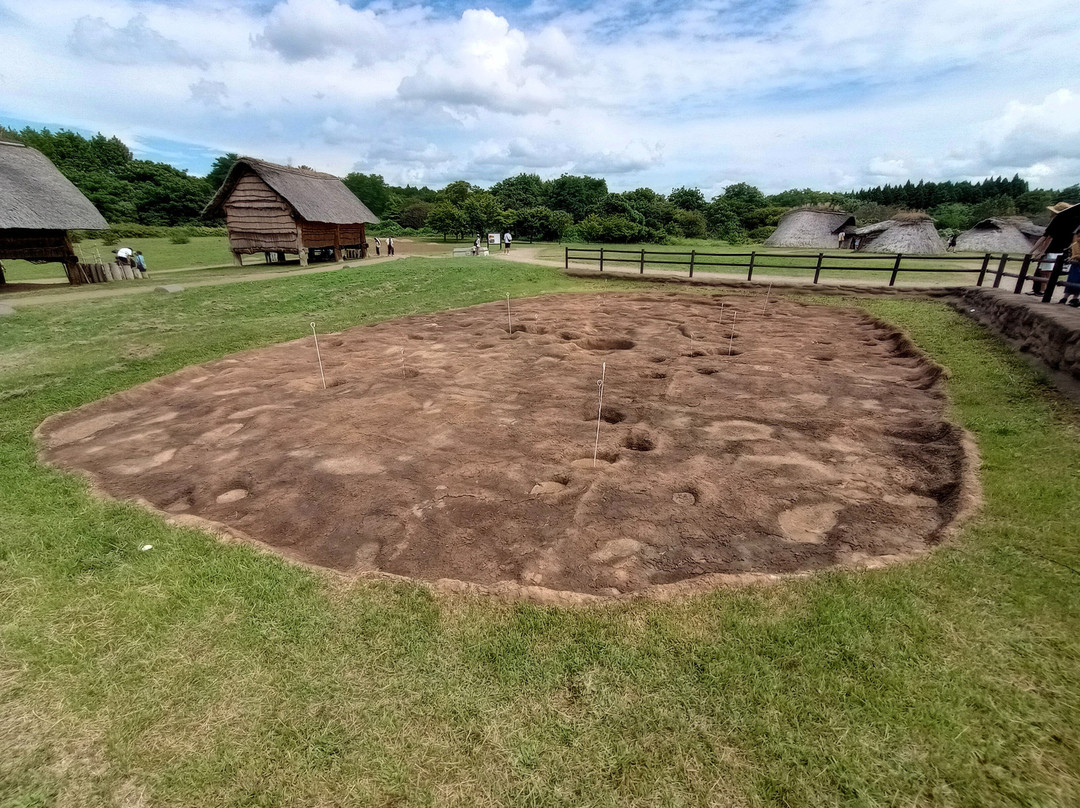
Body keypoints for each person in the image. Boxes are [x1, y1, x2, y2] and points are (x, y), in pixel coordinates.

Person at [1059, 225, 1080, 308]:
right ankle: (1065, 298)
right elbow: (1076, 254)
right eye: (1078, 237)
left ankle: (1075, 299)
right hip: (1075, 265)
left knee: (1078, 282)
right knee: (1072, 280)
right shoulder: (1075, 244)